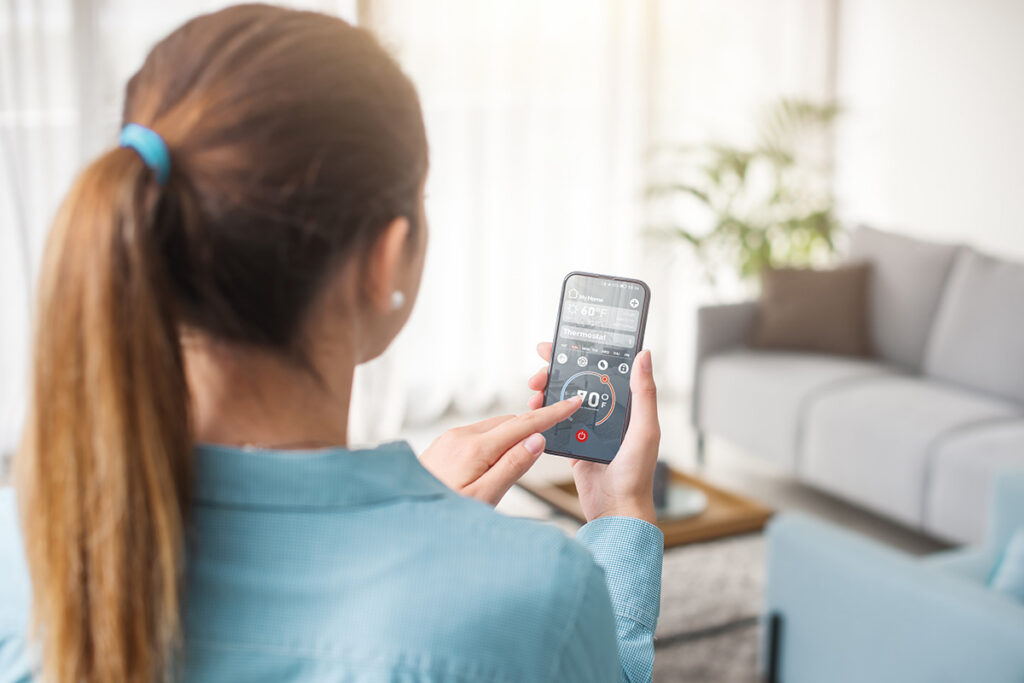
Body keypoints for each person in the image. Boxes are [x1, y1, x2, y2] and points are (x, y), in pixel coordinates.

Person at [0, 5, 663, 682]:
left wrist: (413, 532)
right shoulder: (538, 596)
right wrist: (620, 515)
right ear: (386, 259)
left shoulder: (19, 553)